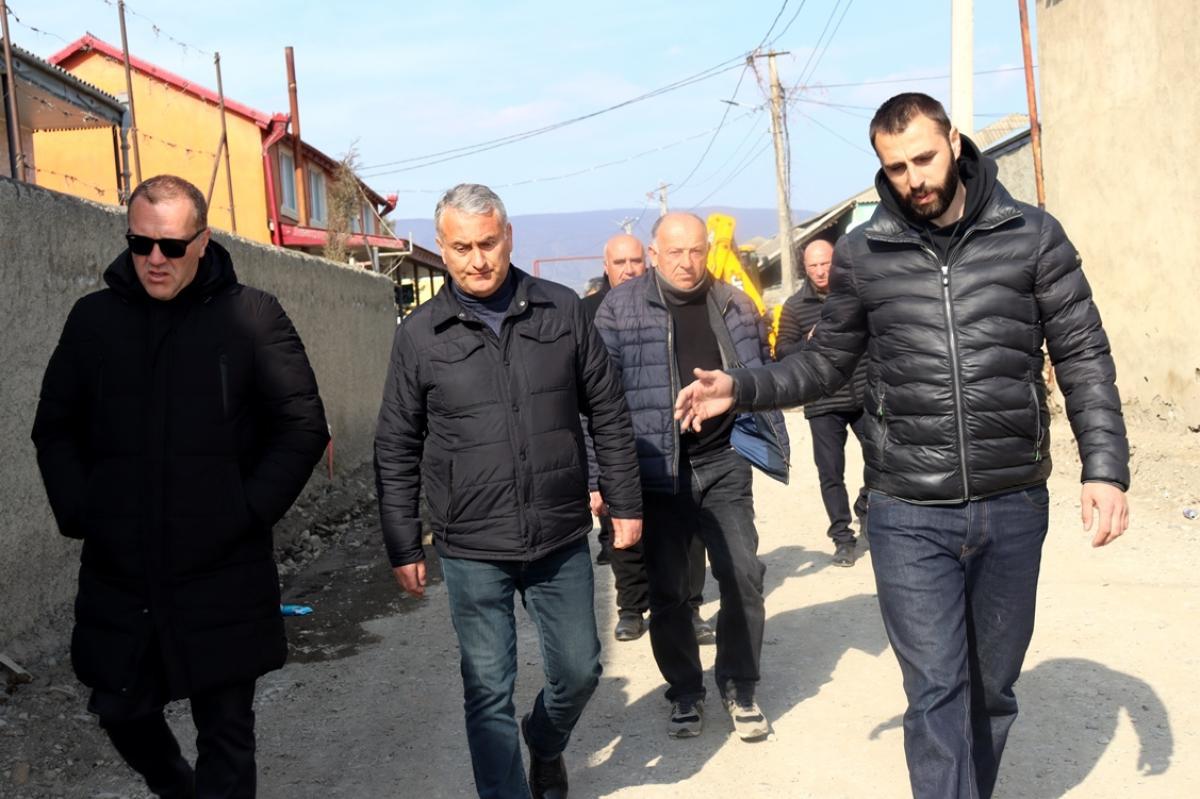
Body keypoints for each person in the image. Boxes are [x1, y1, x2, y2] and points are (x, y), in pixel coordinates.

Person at [674, 93, 1130, 798]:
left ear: (954, 142)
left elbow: (1083, 354)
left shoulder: (1032, 235)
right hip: (907, 510)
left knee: (992, 691)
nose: (914, 178)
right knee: (937, 690)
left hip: (1012, 502)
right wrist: (744, 386)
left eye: (924, 158)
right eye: (897, 167)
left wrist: (1104, 467)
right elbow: (825, 364)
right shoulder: (864, 254)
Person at [31, 174, 329, 798]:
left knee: (226, 733)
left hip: (222, 568)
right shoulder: (94, 320)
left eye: (170, 245)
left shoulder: (253, 316)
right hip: (122, 569)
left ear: (203, 241)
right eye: (140, 244)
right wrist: (81, 510)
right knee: (121, 711)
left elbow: (301, 426)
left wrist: (246, 511)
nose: (155, 259)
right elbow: (55, 426)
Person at [374, 184, 643, 799]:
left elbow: (607, 409)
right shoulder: (420, 335)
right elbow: (396, 444)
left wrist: (625, 502)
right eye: (461, 247)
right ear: (441, 248)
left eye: (488, 243)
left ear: (509, 237)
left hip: (559, 533)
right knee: (487, 689)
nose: (477, 260)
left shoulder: (561, 310)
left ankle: (544, 740)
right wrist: (402, 541)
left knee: (580, 670)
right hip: (472, 544)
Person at [594, 212, 788, 742]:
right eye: (675, 252)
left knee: (743, 575)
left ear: (708, 250)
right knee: (669, 591)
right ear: (654, 254)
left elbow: (762, 373)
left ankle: (739, 685)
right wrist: (599, 475)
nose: (687, 262)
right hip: (657, 469)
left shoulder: (735, 304)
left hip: (724, 459)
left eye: (696, 250)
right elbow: (597, 400)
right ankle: (684, 690)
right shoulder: (619, 309)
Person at [582, 233, 712, 643]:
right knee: (623, 531)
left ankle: (689, 606)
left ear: (649, 261)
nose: (628, 270)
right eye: (619, 262)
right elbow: (583, 400)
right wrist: (593, 473)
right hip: (619, 444)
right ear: (606, 266)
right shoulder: (587, 313)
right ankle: (632, 608)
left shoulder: (670, 305)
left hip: (674, 437)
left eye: (635, 261)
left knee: (689, 531)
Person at [775, 238, 869, 567]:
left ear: (837, 260)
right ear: (805, 268)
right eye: (813, 265)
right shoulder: (794, 306)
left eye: (825, 263)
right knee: (830, 473)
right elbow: (781, 351)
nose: (820, 271)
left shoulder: (858, 293)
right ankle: (843, 538)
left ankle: (865, 505)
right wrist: (807, 341)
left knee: (884, 459)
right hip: (823, 400)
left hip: (864, 392)